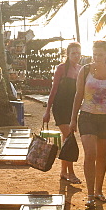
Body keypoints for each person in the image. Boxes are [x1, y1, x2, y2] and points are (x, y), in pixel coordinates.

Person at [69, 40, 106, 210]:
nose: (97, 57)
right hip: (87, 116)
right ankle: (90, 194)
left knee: (101, 156)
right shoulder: (85, 71)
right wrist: (72, 119)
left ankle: (99, 191)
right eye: (95, 54)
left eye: (100, 54)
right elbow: (78, 95)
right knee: (90, 154)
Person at [44, 42, 82, 184]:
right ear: (68, 54)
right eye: (73, 53)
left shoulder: (80, 69)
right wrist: (47, 111)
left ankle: (63, 172)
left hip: (72, 109)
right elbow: (53, 90)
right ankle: (71, 173)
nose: (76, 56)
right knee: (69, 139)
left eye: (78, 53)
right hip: (60, 107)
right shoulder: (61, 68)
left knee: (67, 140)